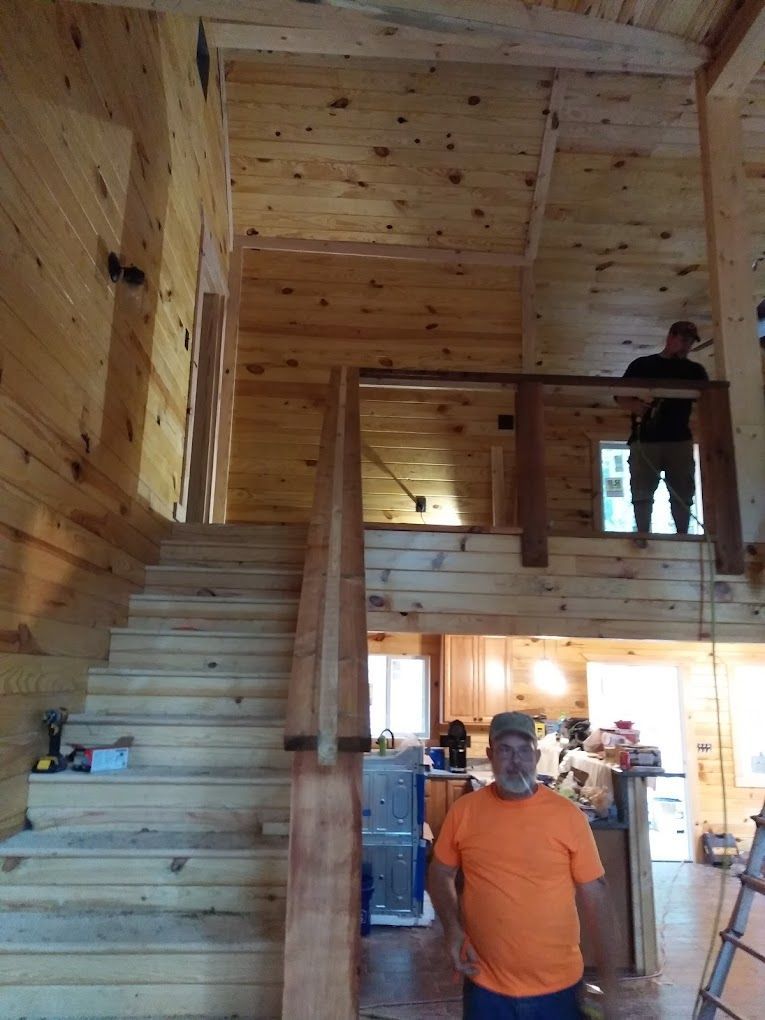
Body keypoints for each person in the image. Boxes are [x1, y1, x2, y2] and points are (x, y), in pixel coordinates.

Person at [429, 711, 618, 1020]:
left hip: (558, 989)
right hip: (485, 987)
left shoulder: (567, 817)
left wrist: (611, 983)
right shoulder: (465, 812)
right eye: (504, 749)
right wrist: (452, 929)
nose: (515, 761)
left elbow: (597, 897)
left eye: (524, 750)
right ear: (490, 755)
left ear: (537, 755)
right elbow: (440, 873)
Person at [618, 321, 708, 535]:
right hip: (646, 438)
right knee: (641, 492)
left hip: (679, 439)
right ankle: (642, 535)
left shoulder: (695, 371)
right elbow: (620, 395)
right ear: (671, 338)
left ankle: (683, 536)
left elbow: (707, 399)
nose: (686, 346)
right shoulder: (643, 365)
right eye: (683, 340)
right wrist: (639, 407)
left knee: (683, 492)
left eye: (690, 342)